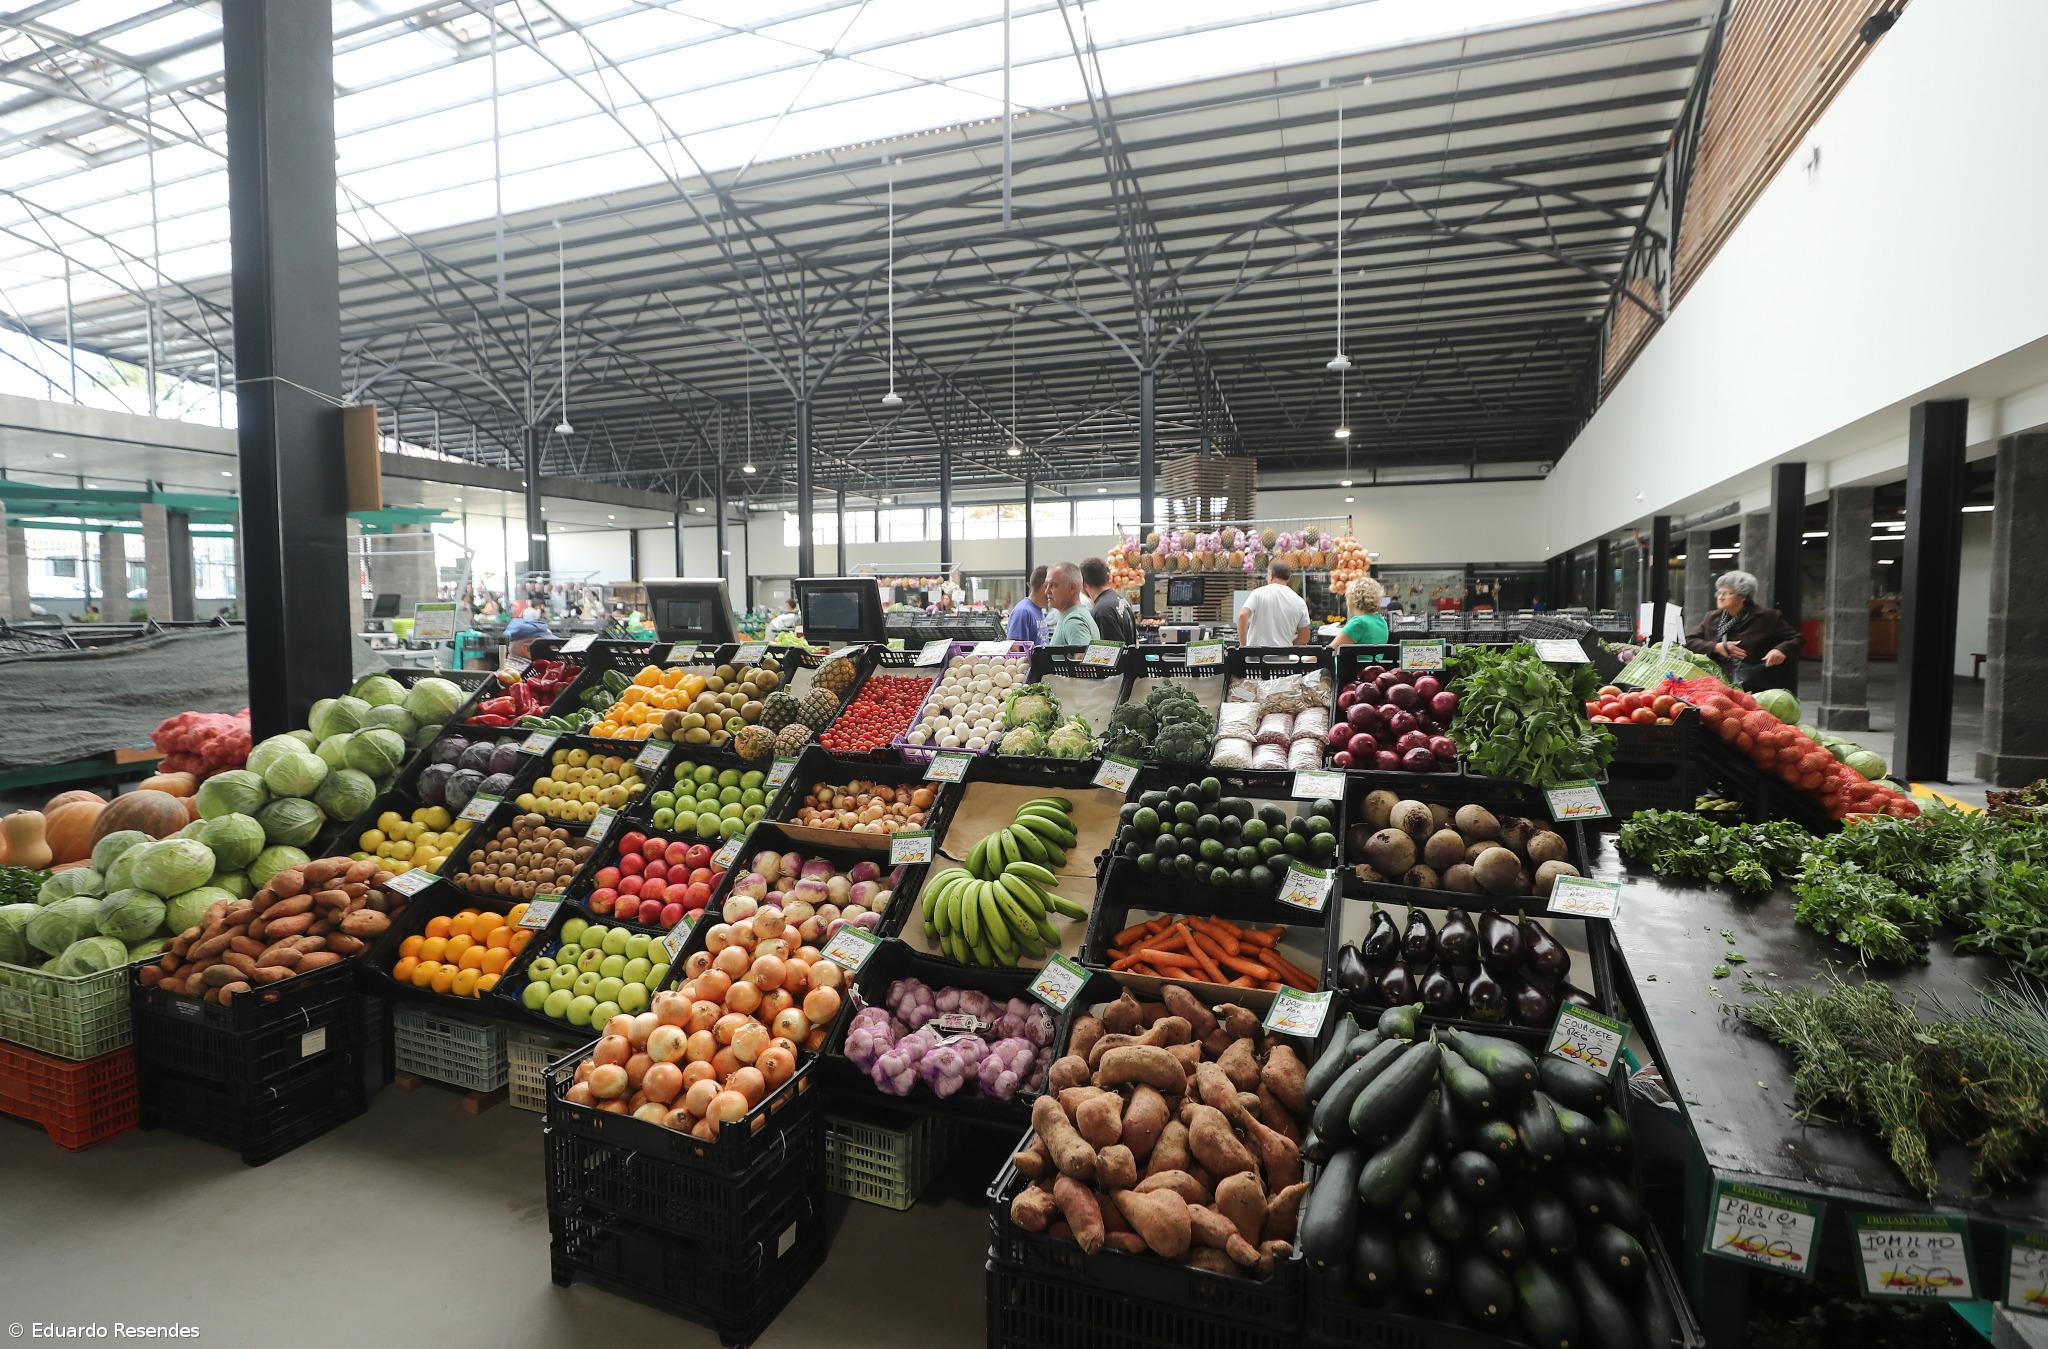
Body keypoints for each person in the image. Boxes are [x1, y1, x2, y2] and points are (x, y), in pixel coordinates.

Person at [1685, 569, 1801, 691]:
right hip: (1718, 686)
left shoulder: (1769, 617)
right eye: (1719, 593)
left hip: (1756, 687)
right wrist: (1716, 647)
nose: (1720, 597)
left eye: (1726, 593)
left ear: (1743, 597)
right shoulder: (1712, 617)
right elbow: (1690, 641)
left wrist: (1780, 650)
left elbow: (1796, 639)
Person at [1236, 559, 1311, 648]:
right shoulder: (1299, 601)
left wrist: (1243, 645)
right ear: (1288, 578)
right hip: (1283, 660)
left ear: (1271, 575)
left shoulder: (1258, 593)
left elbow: (1243, 615)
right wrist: (1288, 647)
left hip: (1256, 658)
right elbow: (1305, 637)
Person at [1081, 556, 1136, 645]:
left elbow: (1109, 655)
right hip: (1131, 658)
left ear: (1084, 584)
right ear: (1109, 577)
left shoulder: (1101, 611)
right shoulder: (1121, 600)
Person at [1044, 562, 1100, 646]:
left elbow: (1081, 657)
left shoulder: (1074, 621)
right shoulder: (1074, 615)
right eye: (1046, 585)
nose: (1047, 591)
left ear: (1072, 588)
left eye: (1053, 585)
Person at [1330, 576, 1389, 648]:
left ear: (1353, 599)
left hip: (1352, 659)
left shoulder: (1358, 622)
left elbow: (1330, 651)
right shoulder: (1381, 621)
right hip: (1375, 659)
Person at [1007, 566, 1050, 643]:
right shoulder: (1023, 611)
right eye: (1052, 585)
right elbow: (1015, 649)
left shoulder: (1038, 610)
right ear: (1045, 586)